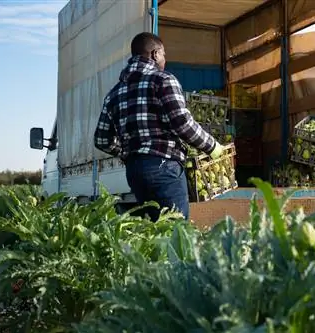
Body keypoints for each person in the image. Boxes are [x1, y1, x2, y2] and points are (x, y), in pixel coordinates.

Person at [94, 32, 224, 222]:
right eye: (163, 54)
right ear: (155, 54)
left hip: (135, 171)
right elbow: (182, 123)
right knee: (176, 232)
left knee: (155, 229)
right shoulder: (163, 80)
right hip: (164, 166)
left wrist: (127, 152)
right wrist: (212, 147)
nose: (165, 59)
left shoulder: (114, 93)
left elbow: (101, 140)